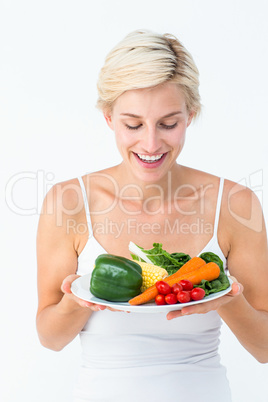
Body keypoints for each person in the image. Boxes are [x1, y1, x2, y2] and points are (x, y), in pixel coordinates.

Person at [36, 30, 268, 402]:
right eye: (133, 125)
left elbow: (264, 348)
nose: (150, 144)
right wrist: (76, 301)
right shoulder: (67, 201)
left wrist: (227, 298)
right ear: (108, 116)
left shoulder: (235, 204)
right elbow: (49, 338)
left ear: (190, 115)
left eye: (168, 123)